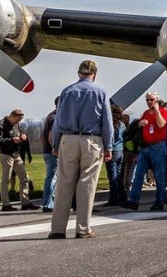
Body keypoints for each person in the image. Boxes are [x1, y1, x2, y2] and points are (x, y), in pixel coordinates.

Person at [49, 60, 113, 240]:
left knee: (64, 183)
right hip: (92, 139)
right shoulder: (101, 92)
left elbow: (58, 122)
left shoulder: (67, 91)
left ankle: (58, 229)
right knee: (87, 184)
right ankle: (83, 228)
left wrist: (55, 144)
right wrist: (108, 146)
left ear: (78, 74)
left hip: (68, 139)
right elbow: (107, 123)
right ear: (95, 74)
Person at [122, 92, 167, 211]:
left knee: (159, 175)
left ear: (157, 100)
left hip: (157, 147)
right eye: (147, 100)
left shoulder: (163, 112)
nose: (149, 102)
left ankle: (159, 201)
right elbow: (138, 126)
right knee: (138, 174)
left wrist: (157, 111)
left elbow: (161, 124)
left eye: (151, 99)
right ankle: (133, 201)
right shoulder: (146, 113)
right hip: (144, 147)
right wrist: (140, 123)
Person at [0, 109, 36, 211]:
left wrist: (22, 136)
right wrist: (12, 140)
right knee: (6, 179)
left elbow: (19, 132)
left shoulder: (16, 124)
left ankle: (25, 202)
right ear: (12, 116)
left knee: (25, 177)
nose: (18, 122)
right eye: (17, 120)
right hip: (6, 155)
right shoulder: (0, 125)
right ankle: (6, 204)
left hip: (16, 154)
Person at [104, 104, 126, 207]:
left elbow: (110, 139)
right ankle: (122, 196)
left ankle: (113, 198)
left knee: (112, 176)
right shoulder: (122, 124)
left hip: (113, 151)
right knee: (118, 175)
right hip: (120, 150)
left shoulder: (112, 125)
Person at [41, 98, 59, 213]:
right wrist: (55, 148)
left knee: (53, 178)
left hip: (47, 151)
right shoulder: (55, 117)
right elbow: (51, 137)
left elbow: (42, 137)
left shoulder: (50, 116)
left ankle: (51, 202)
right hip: (53, 153)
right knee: (52, 178)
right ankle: (48, 203)